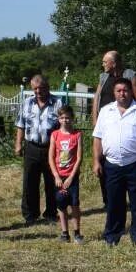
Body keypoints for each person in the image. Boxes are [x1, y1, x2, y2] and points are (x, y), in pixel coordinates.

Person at [92, 76, 136, 246]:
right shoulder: (105, 111)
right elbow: (97, 137)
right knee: (114, 203)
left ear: (131, 92)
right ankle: (112, 236)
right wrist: (96, 161)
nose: (122, 94)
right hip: (111, 165)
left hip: (135, 164)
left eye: (125, 90)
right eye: (118, 91)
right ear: (114, 93)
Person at [12, 72, 62, 227]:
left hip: (50, 148)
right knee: (29, 182)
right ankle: (30, 215)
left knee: (51, 181)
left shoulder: (57, 103)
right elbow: (21, 125)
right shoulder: (27, 103)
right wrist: (18, 145)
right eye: (35, 89)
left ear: (47, 87)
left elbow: (62, 127)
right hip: (31, 146)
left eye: (40, 89)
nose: (38, 92)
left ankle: (51, 213)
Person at [49, 104, 84, 243]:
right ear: (58, 119)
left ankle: (77, 232)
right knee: (61, 205)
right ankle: (65, 233)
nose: (65, 120)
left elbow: (79, 157)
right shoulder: (55, 135)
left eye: (68, 118)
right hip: (59, 176)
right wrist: (56, 176)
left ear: (72, 119)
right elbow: (51, 157)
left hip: (72, 176)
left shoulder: (77, 135)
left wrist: (71, 177)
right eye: (62, 118)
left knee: (74, 204)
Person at [92, 50, 136, 121]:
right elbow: (96, 99)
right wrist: (95, 121)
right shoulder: (103, 77)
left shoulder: (130, 75)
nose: (103, 65)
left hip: (126, 118)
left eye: (105, 62)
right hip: (105, 119)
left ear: (114, 64)